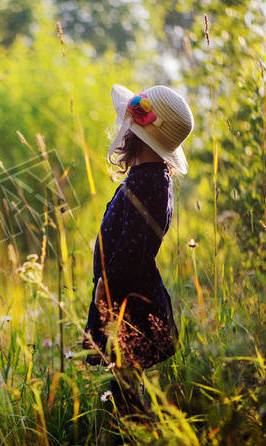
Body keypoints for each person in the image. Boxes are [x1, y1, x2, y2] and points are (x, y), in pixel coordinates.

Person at [82, 84, 194, 421]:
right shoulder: (148, 177)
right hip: (128, 293)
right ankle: (137, 442)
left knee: (126, 388)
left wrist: (106, 285)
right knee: (124, 383)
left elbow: (133, 249)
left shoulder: (148, 182)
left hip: (128, 299)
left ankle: (141, 443)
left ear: (136, 134)